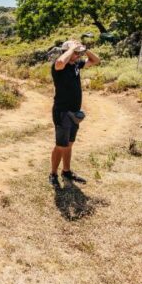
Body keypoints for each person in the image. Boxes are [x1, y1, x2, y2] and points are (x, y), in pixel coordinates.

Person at [49, 40, 100, 189]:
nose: (77, 55)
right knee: (60, 145)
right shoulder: (59, 66)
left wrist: (84, 49)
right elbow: (59, 62)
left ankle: (66, 171)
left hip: (75, 112)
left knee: (69, 145)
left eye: (78, 53)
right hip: (62, 111)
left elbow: (95, 60)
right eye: (75, 53)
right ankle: (53, 174)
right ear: (68, 51)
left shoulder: (76, 65)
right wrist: (71, 48)